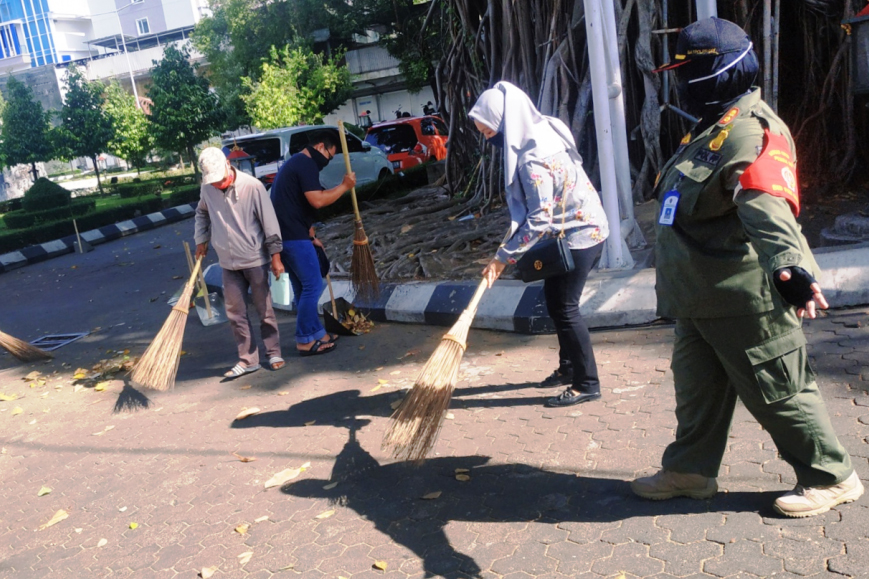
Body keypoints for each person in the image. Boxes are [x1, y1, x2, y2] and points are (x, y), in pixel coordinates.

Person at [631, 17, 863, 518]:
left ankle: (832, 476)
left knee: (780, 391)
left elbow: (767, 206)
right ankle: (690, 471)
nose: (681, 84)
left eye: (689, 73)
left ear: (721, 73)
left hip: (741, 299)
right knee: (696, 393)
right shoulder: (708, 131)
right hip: (699, 298)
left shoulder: (750, 133)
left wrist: (789, 267)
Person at [469, 81, 610, 407]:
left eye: (490, 133)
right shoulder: (546, 126)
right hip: (580, 225)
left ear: (506, 123)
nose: (488, 140)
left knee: (565, 307)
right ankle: (568, 366)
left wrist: (502, 258)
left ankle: (586, 383)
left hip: (580, 234)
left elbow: (540, 219)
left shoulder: (532, 159)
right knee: (555, 300)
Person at [194, 147, 286, 378]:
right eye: (213, 182)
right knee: (235, 313)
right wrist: (201, 239)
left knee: (264, 310)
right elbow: (201, 213)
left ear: (228, 165)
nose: (218, 184)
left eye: (220, 180)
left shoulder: (252, 185)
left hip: (255, 258)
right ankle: (248, 359)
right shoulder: (208, 188)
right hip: (227, 262)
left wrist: (276, 257)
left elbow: (270, 223)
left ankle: (273, 352)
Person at [270, 131, 356, 356]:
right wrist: (345, 186)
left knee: (301, 288)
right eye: (330, 155)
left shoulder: (296, 164)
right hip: (292, 236)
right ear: (320, 147)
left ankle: (316, 332)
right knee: (313, 286)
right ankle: (304, 340)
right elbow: (316, 200)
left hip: (289, 235)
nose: (328, 161)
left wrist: (311, 235)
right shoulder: (305, 164)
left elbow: (297, 204)